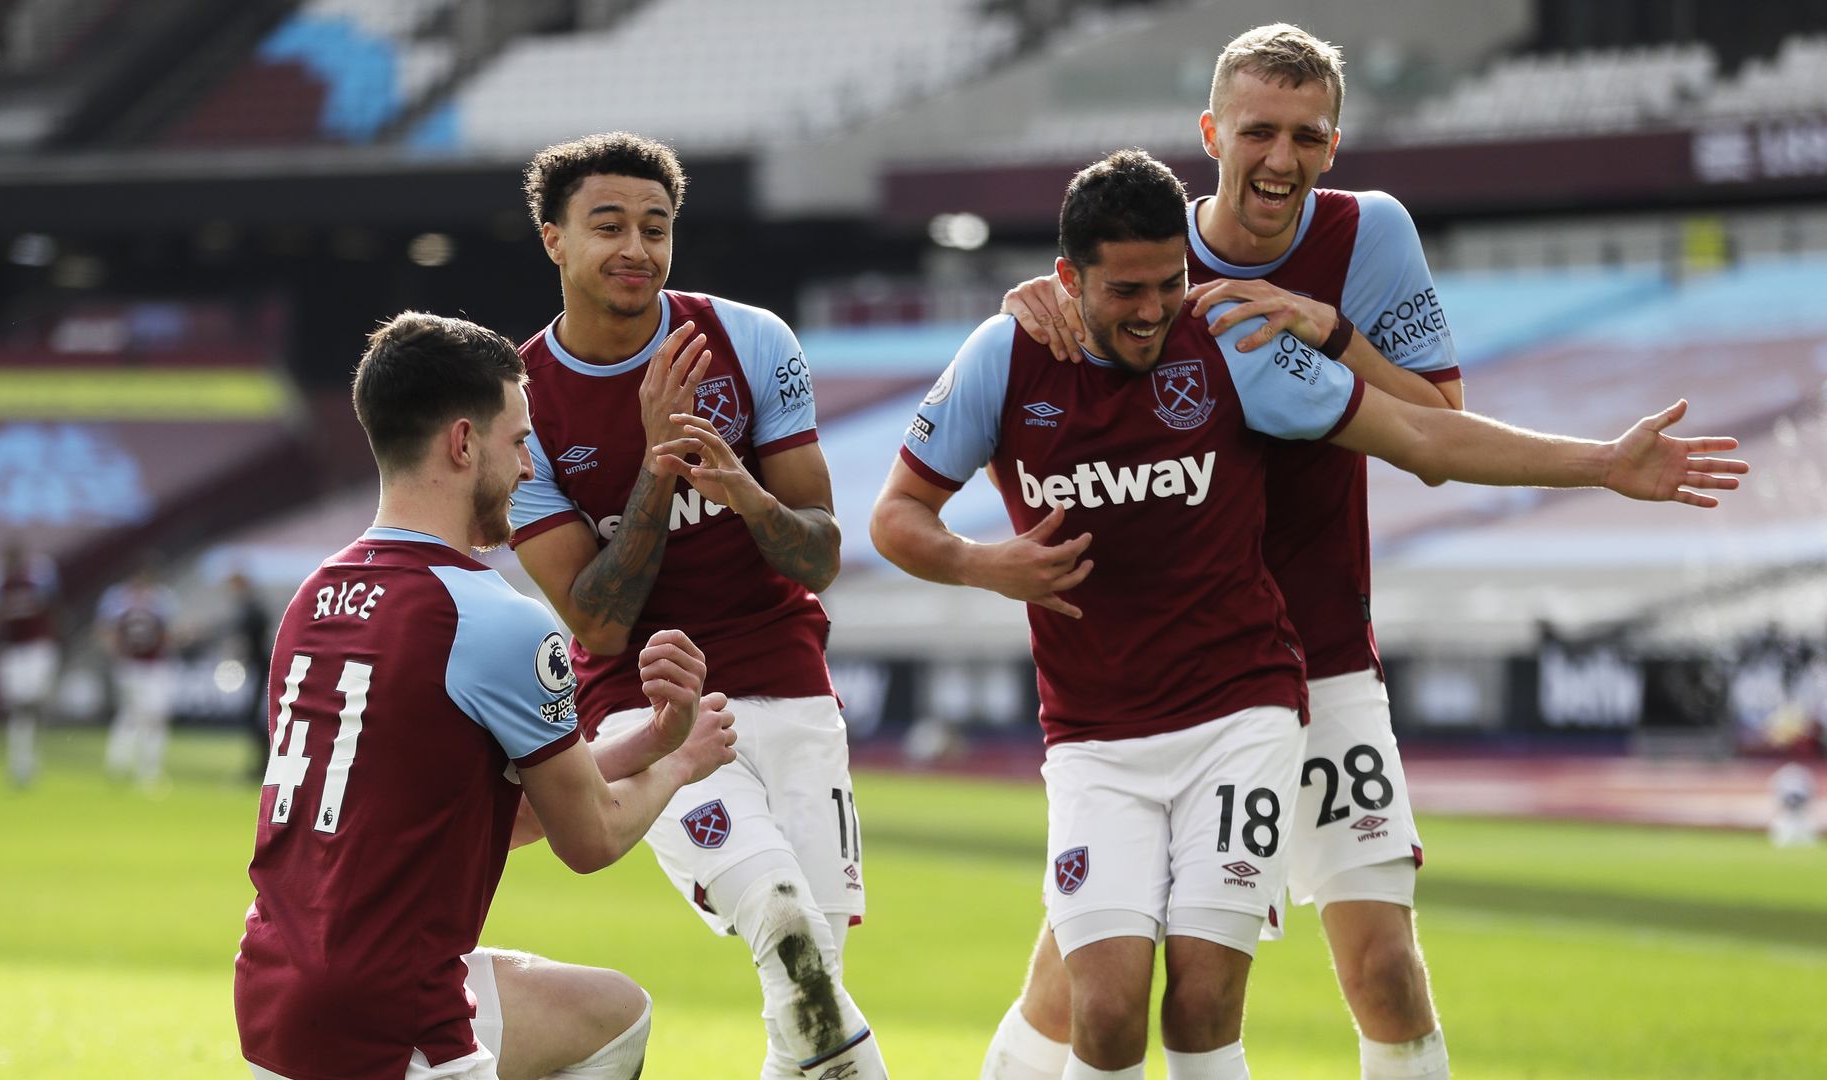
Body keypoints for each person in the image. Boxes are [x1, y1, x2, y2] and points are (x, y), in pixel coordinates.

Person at [870, 148, 1745, 1080]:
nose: (1153, 309)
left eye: (1171, 283)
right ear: (1066, 280)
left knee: (1208, 1001)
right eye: (1125, 289)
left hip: (1242, 714)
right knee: (1104, 1005)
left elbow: (1420, 431)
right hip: (1094, 736)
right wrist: (979, 563)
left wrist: (1604, 463)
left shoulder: (1234, 344)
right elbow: (894, 515)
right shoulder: (1004, 357)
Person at [991, 24, 1461, 1080]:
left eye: (1306, 134)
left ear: (1334, 143)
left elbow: (1436, 427)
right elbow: (1043, 384)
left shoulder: (1370, 235)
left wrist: (1327, 330)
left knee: (1384, 965)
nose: (1281, 158)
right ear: (1213, 132)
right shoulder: (1148, 257)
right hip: (1164, 677)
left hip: (1323, 649)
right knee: (1085, 989)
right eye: (1258, 131)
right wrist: (1034, 306)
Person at [233, 311, 738, 1080]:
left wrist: (652, 740)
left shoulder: (312, 600)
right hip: (390, 1013)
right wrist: (682, 766)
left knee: (614, 1013)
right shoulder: (491, 616)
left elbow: (471, 818)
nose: (531, 466)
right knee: (614, 1028)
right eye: (518, 440)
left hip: (277, 988)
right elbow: (589, 838)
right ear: (463, 444)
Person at [508, 132, 886, 1079]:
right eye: (609, 225)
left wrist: (747, 497)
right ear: (553, 239)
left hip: (790, 683)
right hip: (647, 711)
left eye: (656, 226)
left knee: (809, 986)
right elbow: (593, 622)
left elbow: (823, 554)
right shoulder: (517, 400)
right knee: (785, 924)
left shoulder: (750, 339)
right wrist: (655, 466)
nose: (636, 246)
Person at [0, 539, 61, 787]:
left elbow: (54, 604)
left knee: (34, 701)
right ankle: (20, 764)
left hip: (37, 646)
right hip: (12, 650)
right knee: (18, 708)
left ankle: (30, 756)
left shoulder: (40, 577)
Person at [97, 559, 181, 786]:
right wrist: (117, 657)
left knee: (148, 716)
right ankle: (131, 767)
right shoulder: (117, 599)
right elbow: (106, 632)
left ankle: (137, 767)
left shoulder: (161, 598)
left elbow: (169, 633)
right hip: (131, 665)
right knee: (138, 716)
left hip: (155, 664)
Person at [222, 570, 274, 780]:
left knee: (256, 718)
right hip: (256, 666)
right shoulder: (250, 606)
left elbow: (243, 629)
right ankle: (261, 765)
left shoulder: (252, 607)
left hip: (260, 667)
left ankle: (264, 766)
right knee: (254, 718)